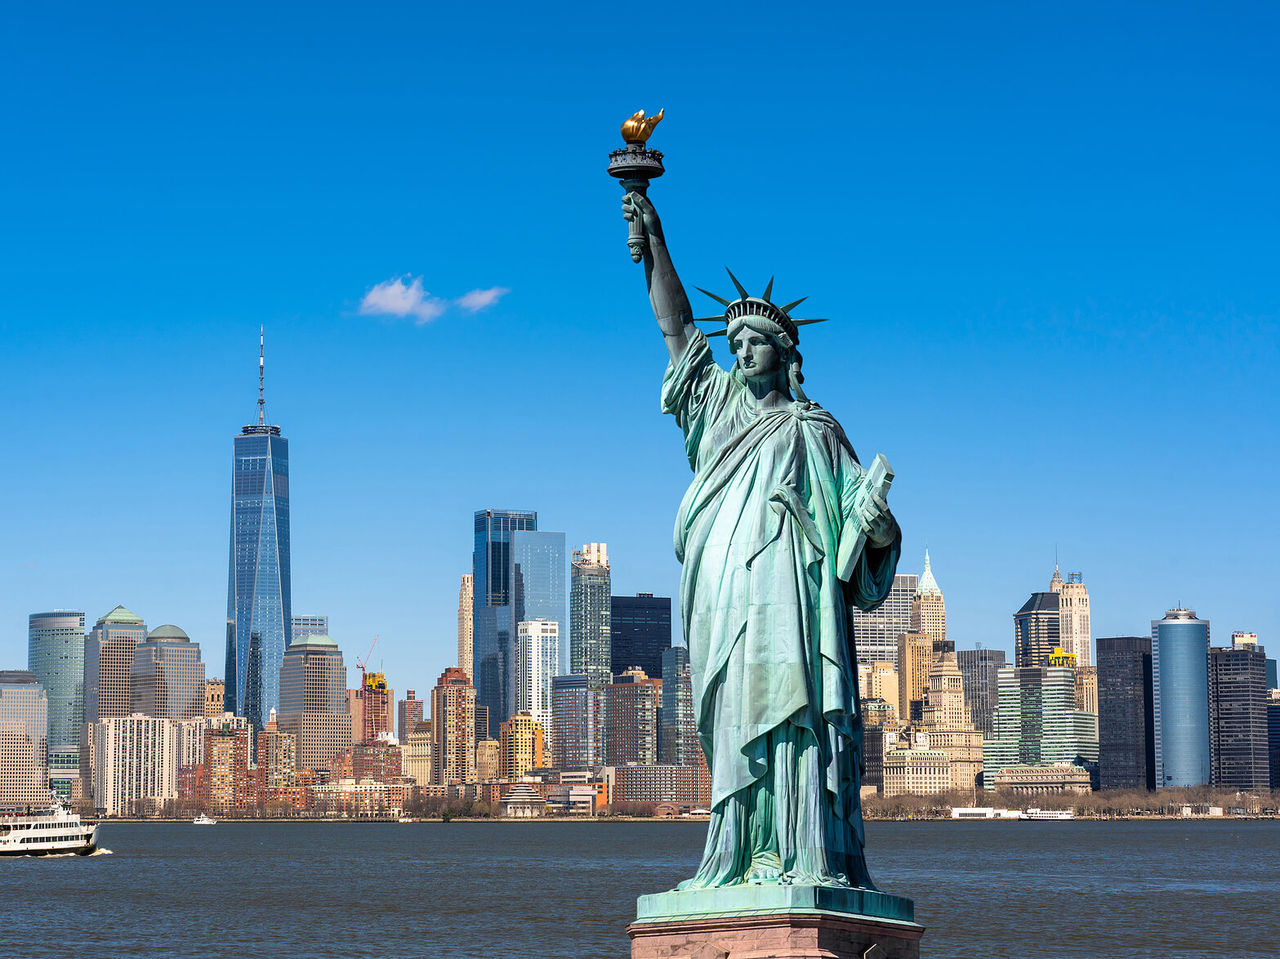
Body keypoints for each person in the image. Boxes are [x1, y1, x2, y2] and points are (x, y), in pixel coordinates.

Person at [622, 191, 902, 889]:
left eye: (753, 342)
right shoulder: (714, 406)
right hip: (725, 596)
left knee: (794, 713)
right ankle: (738, 854)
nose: (740, 350)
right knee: (736, 714)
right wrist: (655, 240)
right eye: (735, 343)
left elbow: (861, 540)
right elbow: (676, 326)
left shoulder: (818, 430)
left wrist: (878, 526)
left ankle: (803, 854)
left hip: (795, 603)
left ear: (783, 354)